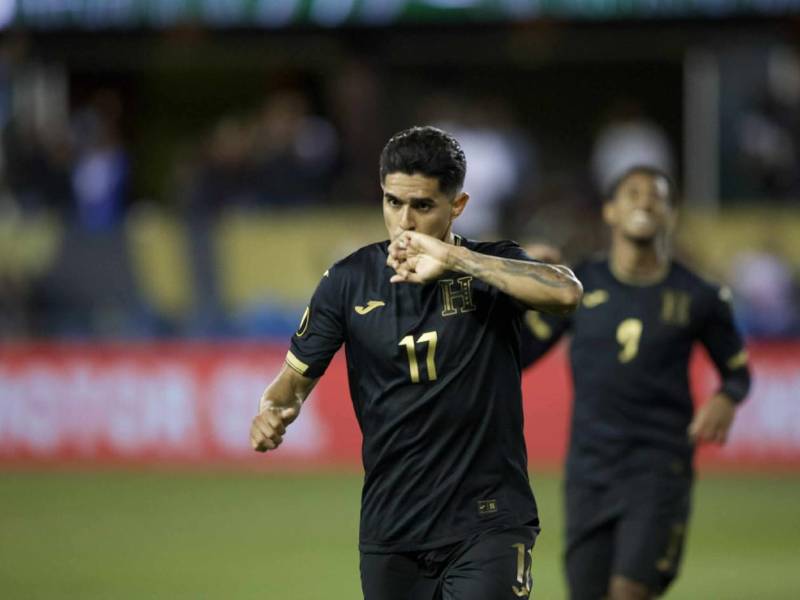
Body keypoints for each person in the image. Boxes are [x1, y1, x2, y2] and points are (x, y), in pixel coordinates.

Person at [250, 125, 583, 600]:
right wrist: (272, 410)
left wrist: (456, 259)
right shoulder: (348, 282)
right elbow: (290, 386)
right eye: (393, 202)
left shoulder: (488, 266)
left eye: (422, 206)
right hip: (392, 529)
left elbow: (566, 292)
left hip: (488, 521)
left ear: (457, 205)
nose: (404, 221)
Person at [520, 166, 751, 600]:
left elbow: (737, 371)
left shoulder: (700, 295)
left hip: (658, 466)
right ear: (610, 211)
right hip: (589, 470)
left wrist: (727, 397)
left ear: (671, 214)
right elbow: (522, 353)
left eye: (656, 196)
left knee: (629, 591)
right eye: (633, 193)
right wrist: (518, 288)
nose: (645, 202)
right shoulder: (578, 285)